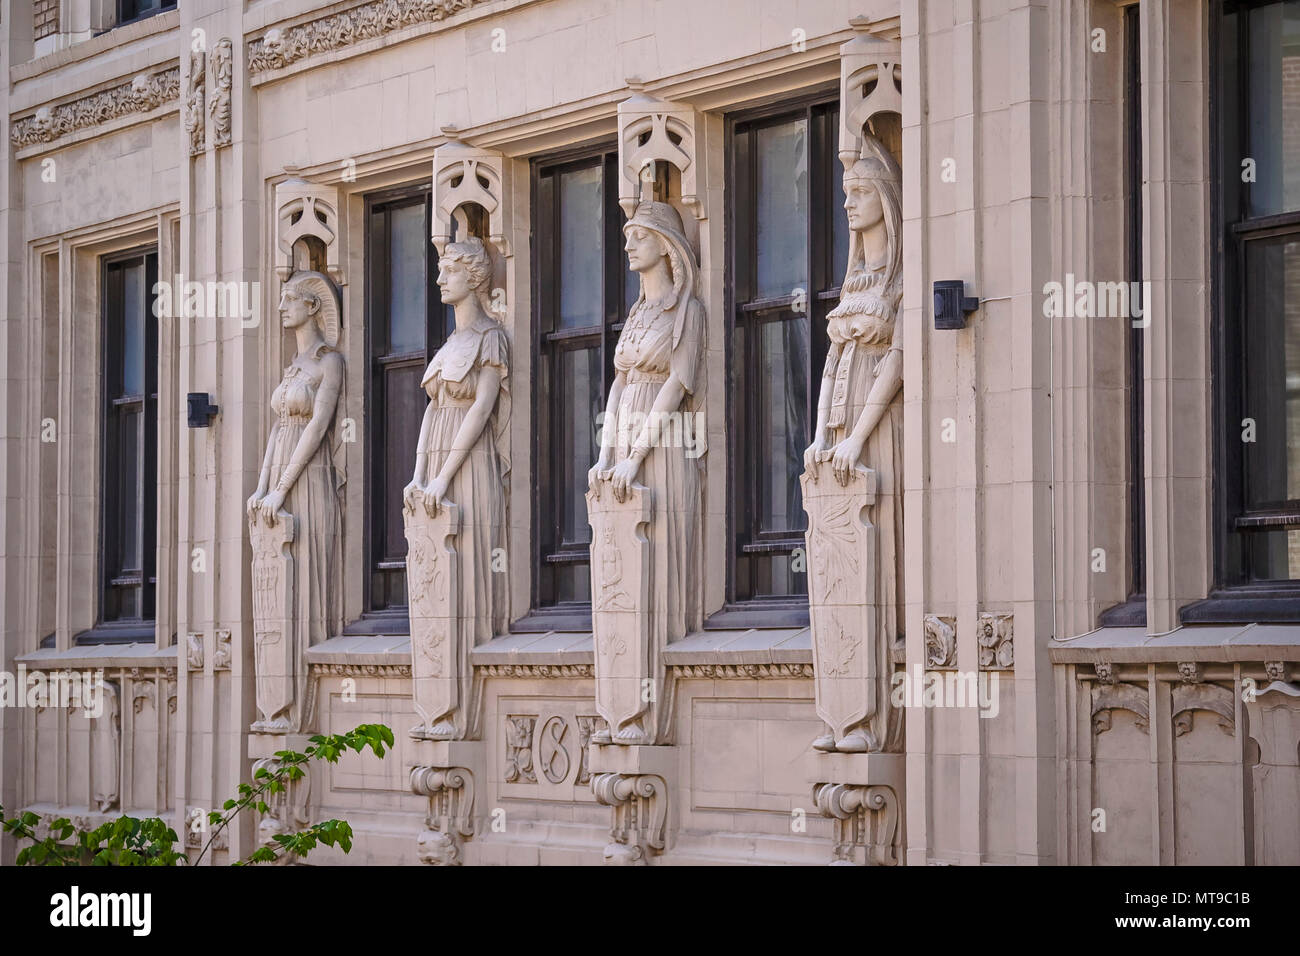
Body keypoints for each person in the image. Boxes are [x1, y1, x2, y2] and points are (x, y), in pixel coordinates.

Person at [404, 237, 510, 739]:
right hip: (439, 459)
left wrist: (444, 475)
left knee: (465, 563)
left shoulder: (490, 337)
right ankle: (437, 691)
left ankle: (465, 698)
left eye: (449, 269)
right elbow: (434, 413)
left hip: (467, 465)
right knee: (431, 574)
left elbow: (482, 408)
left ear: (475, 276)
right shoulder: (450, 345)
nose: (440, 278)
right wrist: (420, 474)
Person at [246, 270, 345, 732]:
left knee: (302, 574)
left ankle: (300, 704)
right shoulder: (293, 366)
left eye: (290, 300)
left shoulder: (330, 361)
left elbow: (317, 427)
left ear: (312, 307)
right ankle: (275, 698)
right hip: (281, 475)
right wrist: (261, 487)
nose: (282, 306)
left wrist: (282, 488)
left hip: (308, 479)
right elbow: (277, 431)